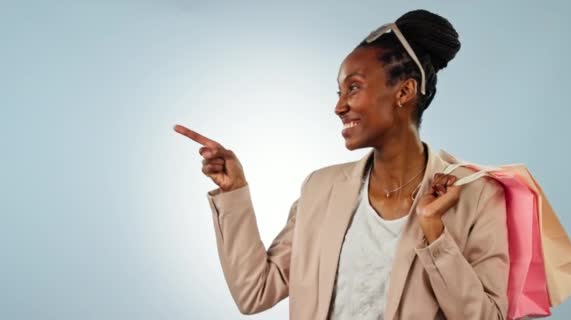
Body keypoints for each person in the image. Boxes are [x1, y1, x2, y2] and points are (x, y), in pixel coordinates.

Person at [174, 8, 509, 320]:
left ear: (404, 92)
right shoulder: (321, 189)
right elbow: (255, 292)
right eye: (339, 91)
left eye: (354, 87)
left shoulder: (475, 195)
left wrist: (435, 235)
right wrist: (234, 192)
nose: (339, 106)